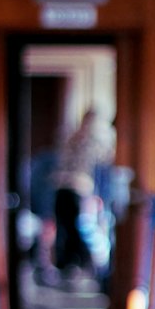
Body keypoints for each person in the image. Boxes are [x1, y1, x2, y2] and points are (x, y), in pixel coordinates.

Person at [52, 106, 116, 279]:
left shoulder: (70, 137)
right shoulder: (93, 142)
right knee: (77, 228)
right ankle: (76, 267)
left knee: (65, 228)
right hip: (79, 187)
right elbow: (102, 166)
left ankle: (66, 266)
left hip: (61, 187)